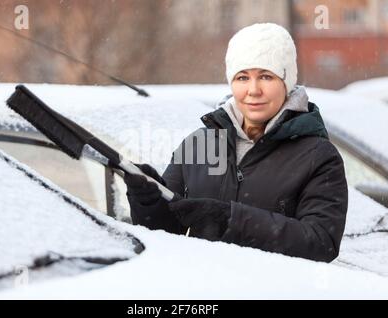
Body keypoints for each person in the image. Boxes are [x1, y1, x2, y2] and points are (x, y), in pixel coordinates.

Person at [123, 23, 348, 263]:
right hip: (202, 290)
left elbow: (321, 243)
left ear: (287, 82)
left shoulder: (318, 156)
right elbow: (166, 231)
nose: (253, 90)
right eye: (242, 77)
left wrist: (231, 220)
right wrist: (148, 201)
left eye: (266, 76)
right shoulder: (200, 144)